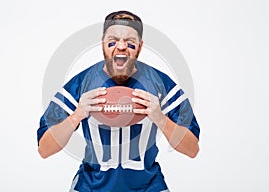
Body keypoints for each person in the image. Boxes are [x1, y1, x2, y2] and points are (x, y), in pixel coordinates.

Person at [37, 10, 200, 192]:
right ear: (103, 45)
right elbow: (45, 149)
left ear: (140, 47)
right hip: (91, 187)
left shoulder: (159, 83)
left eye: (130, 43)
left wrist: (160, 118)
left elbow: (192, 149)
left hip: (148, 187)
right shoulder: (81, 83)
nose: (121, 47)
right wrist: (77, 115)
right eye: (113, 41)